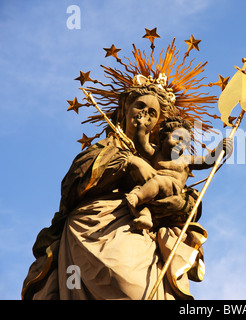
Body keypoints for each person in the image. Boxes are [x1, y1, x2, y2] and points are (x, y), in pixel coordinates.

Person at [22, 83, 210, 300]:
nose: (144, 115)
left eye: (152, 113)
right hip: (91, 227)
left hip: (140, 232)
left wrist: (177, 201)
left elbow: (186, 204)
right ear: (126, 108)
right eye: (140, 106)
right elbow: (71, 186)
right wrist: (129, 162)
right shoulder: (103, 148)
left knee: (140, 291)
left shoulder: (164, 159)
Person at [127, 115, 233, 230]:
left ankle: (137, 198)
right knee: (144, 196)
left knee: (156, 181)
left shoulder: (186, 160)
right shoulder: (157, 154)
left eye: (184, 142)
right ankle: (145, 218)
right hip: (152, 191)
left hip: (172, 190)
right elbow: (142, 145)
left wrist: (219, 150)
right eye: (177, 138)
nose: (180, 143)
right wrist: (141, 126)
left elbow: (206, 161)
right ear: (162, 138)